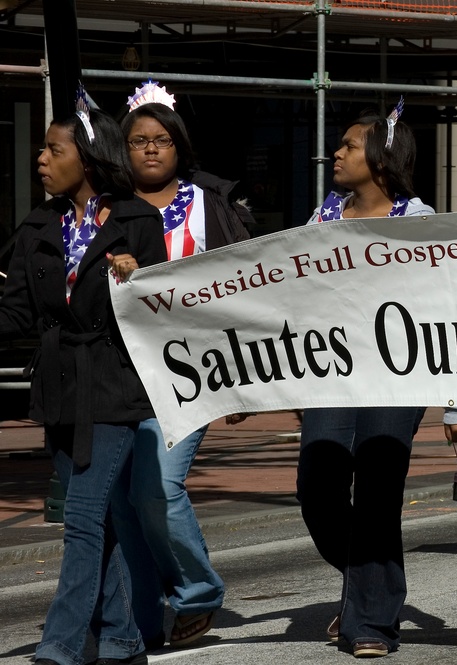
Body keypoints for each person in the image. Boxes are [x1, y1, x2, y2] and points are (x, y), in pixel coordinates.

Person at [297, 101, 457, 659]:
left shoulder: (424, 225)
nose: (338, 152)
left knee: (377, 489)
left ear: (381, 159)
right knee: (318, 488)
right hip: (330, 375)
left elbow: (454, 311)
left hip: (398, 379)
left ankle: (373, 621)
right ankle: (365, 592)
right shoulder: (319, 221)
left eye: (350, 145)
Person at [12, 93, 168, 665]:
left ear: (88, 155)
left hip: (114, 389)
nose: (42, 157)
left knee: (79, 519)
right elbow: (18, 312)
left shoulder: (137, 221)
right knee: (96, 524)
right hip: (57, 389)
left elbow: (166, 309)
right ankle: (124, 638)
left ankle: (62, 643)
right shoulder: (38, 225)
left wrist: (137, 277)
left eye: (54, 149)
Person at [106, 80, 253, 650]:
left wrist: (239, 377)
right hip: (118, 373)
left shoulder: (212, 204)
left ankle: (197, 592)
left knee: (158, 489)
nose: (149, 149)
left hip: (193, 371)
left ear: (179, 147)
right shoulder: (104, 209)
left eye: (161, 140)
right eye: (139, 140)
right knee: (125, 502)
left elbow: (245, 290)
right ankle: (142, 624)